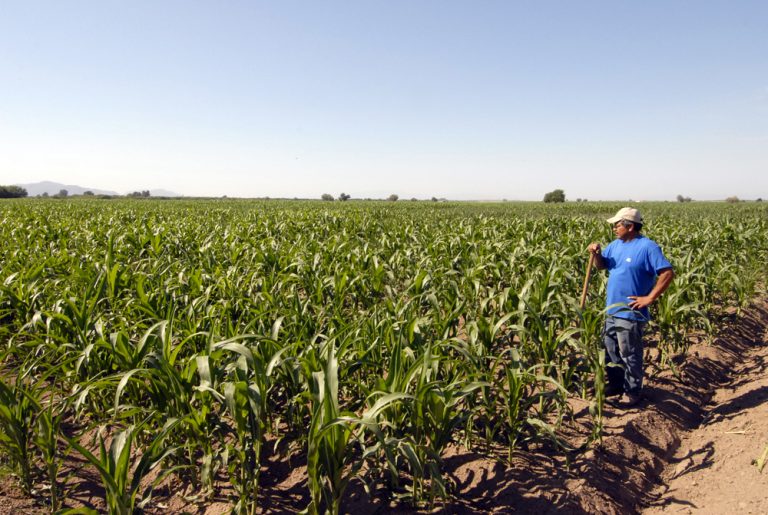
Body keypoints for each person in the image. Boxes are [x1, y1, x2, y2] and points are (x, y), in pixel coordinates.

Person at [587, 207, 674, 408]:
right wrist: (597, 254)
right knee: (610, 351)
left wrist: (649, 298)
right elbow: (602, 266)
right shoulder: (615, 245)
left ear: (630, 226)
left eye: (617, 225)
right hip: (611, 310)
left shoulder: (647, 247)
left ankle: (633, 392)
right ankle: (617, 385)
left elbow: (667, 273)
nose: (614, 228)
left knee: (629, 352)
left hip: (630, 312)